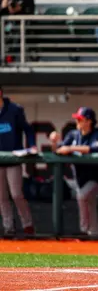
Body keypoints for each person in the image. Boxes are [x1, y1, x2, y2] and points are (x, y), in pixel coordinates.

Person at [51, 107, 98, 236]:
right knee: (90, 204)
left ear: (89, 121)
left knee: (82, 196)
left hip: (96, 178)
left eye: (80, 119)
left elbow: (95, 148)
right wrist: (54, 142)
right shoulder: (73, 134)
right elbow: (60, 149)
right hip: (80, 178)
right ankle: (94, 233)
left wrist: (71, 148)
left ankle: (83, 229)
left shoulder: (97, 134)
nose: (77, 121)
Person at [0, 88, 36, 235]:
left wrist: (32, 145)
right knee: (1, 197)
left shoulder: (14, 109)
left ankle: (27, 224)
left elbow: (27, 129)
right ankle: (8, 227)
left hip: (14, 158)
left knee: (16, 194)